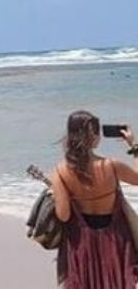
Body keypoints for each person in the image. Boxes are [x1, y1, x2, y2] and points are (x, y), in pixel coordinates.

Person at [50, 112, 138, 287]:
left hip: (82, 242)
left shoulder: (60, 172)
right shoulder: (111, 165)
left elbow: (64, 215)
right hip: (115, 239)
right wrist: (134, 146)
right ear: (94, 137)